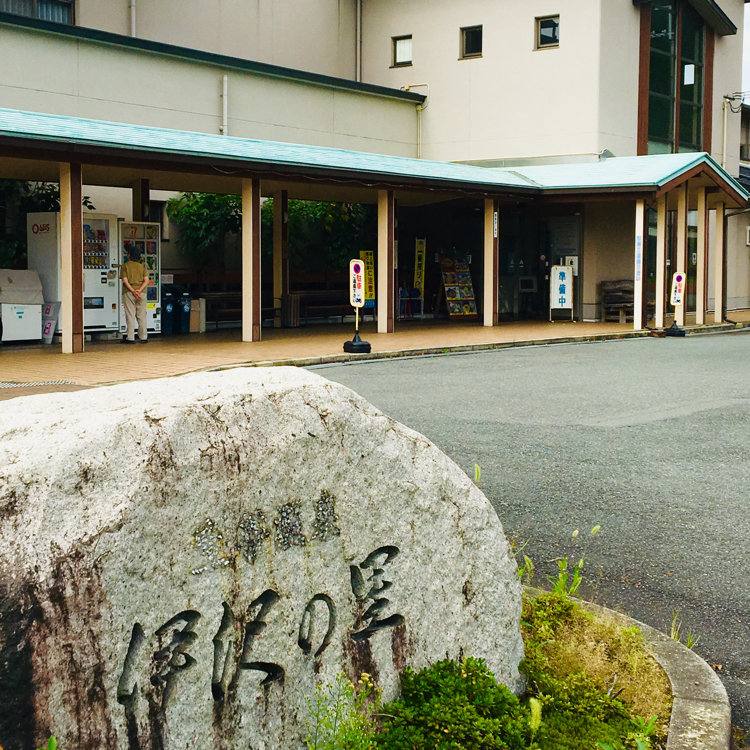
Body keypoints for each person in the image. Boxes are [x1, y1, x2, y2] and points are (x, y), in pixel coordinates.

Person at [120, 245, 149, 343]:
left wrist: (133, 291)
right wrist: (139, 290)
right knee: (142, 315)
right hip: (142, 294)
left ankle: (130, 338)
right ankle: (143, 337)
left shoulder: (125, 266)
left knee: (130, 315)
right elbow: (146, 280)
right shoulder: (142, 267)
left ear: (129, 255)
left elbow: (125, 281)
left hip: (129, 293)